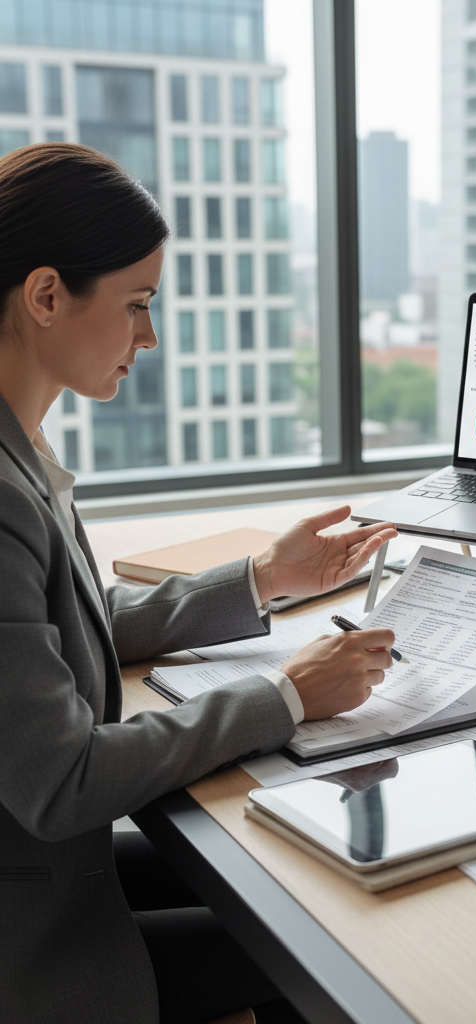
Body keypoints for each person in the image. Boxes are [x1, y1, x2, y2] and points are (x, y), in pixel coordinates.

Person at [0, 143, 399, 1024]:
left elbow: (68, 624)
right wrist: (285, 695)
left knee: (281, 873)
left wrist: (262, 578)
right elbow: (60, 780)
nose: (149, 336)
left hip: (41, 870)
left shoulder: (18, 452)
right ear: (45, 295)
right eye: (137, 304)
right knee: (324, 948)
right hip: (27, 944)